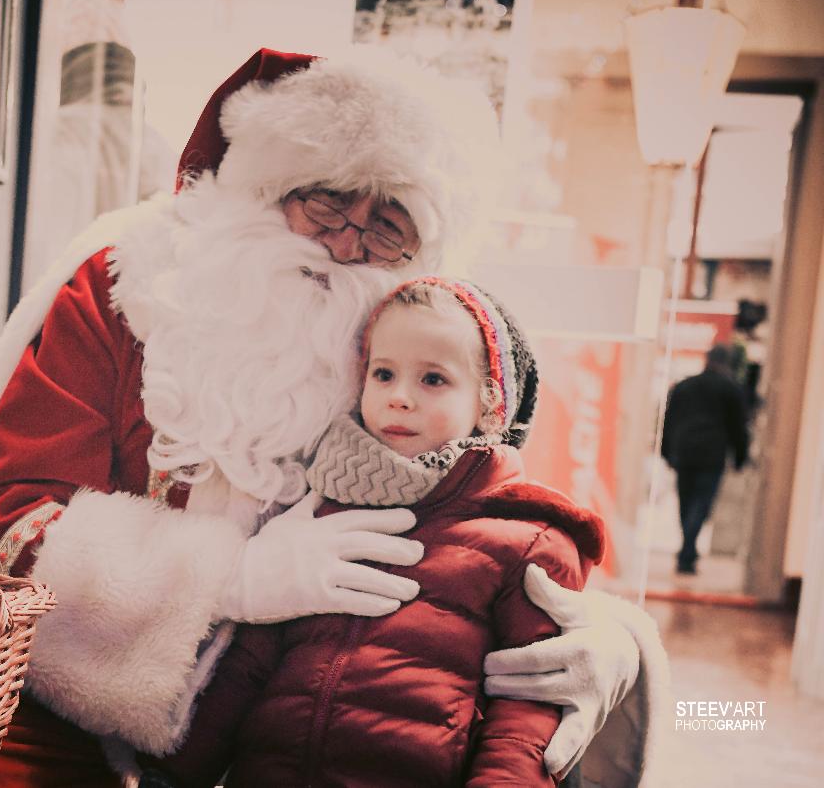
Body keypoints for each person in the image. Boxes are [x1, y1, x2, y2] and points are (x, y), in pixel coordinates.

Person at [0, 49, 665, 786]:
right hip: (49, 714)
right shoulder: (131, 289)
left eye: (390, 221)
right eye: (327, 198)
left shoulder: (414, 348)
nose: (351, 240)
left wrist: (606, 642)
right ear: (263, 189)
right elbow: (3, 524)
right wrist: (230, 580)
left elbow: (484, 528)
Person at [135, 276, 606, 787]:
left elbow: (527, 712)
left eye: (433, 380)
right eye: (384, 374)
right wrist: (174, 770)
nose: (400, 397)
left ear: (489, 407)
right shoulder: (319, 508)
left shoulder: (526, 537)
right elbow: (251, 660)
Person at [661, 343, 750, 575]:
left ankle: (687, 550)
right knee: (701, 505)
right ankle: (687, 552)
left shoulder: (684, 386)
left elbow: (668, 421)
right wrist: (740, 456)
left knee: (685, 503)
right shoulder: (731, 389)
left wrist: (666, 451)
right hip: (712, 454)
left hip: (685, 452)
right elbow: (738, 428)